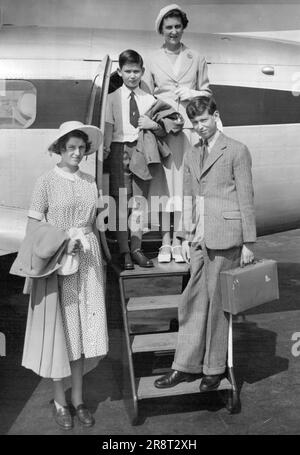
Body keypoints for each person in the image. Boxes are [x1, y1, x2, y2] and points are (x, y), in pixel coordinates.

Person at [154, 96, 256, 391]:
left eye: (204, 120)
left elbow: (246, 198)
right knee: (191, 303)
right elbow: (187, 197)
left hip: (227, 237)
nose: (200, 127)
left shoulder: (236, 150)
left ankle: (213, 368)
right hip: (198, 238)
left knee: (218, 305)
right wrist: (184, 236)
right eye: (195, 122)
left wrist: (248, 242)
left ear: (215, 116)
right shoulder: (192, 154)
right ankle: (184, 367)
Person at [20, 121, 108, 429]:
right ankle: (60, 401)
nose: (77, 153)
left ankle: (78, 400)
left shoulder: (89, 182)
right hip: (59, 262)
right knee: (63, 333)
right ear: (59, 149)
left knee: (82, 334)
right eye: (71, 147)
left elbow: (97, 222)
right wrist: (61, 242)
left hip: (88, 261)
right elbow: (33, 228)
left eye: (82, 148)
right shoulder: (45, 181)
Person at [143, 3, 212, 263]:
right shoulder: (151, 59)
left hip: (190, 129)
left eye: (177, 27)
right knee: (164, 185)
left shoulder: (196, 57)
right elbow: (148, 97)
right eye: (168, 27)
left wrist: (193, 93)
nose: (173, 32)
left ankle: (182, 238)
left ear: (183, 28)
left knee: (186, 184)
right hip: (163, 128)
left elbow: (207, 93)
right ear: (161, 30)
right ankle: (164, 240)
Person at [104, 49, 174, 270]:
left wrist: (153, 125)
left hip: (142, 151)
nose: (132, 76)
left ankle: (136, 249)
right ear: (119, 72)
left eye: (136, 71)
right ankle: (124, 251)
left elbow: (166, 127)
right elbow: (107, 129)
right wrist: (105, 150)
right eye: (128, 71)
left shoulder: (149, 100)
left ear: (142, 72)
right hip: (119, 150)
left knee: (139, 204)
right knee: (121, 203)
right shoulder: (111, 99)